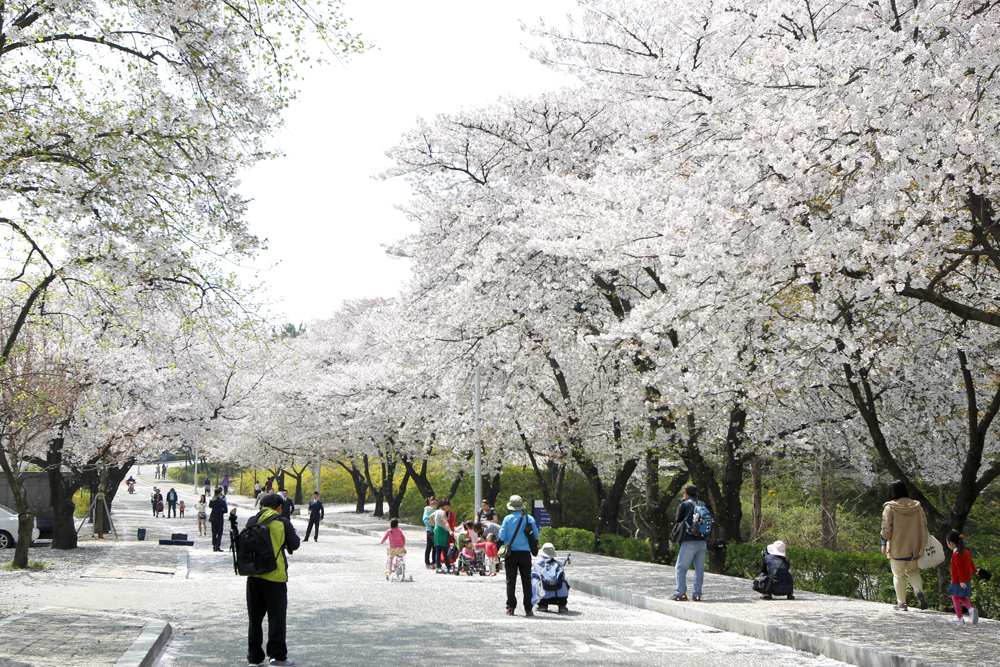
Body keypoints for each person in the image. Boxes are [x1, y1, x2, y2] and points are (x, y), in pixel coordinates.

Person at [245, 493, 300, 667]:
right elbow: (295, 544)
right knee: (276, 618)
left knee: (255, 617)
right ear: (279, 507)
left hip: (253, 575)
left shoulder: (251, 521)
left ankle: (254, 656)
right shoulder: (282, 522)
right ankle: (277, 656)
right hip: (275, 577)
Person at [881, 480, 928, 611]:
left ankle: (902, 603)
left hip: (897, 547)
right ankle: (919, 590)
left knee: (898, 574)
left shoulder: (890, 507)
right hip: (914, 547)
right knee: (913, 571)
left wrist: (884, 542)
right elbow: (924, 523)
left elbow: (886, 528)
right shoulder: (918, 506)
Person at [498, 494, 539, 616]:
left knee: (511, 581)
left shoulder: (507, 519)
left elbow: (502, 536)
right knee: (526, 581)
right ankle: (528, 608)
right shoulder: (529, 519)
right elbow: (536, 536)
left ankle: (511, 606)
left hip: (511, 553)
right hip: (525, 553)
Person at [669, 485, 707, 602]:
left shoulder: (685, 505)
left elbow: (678, 519)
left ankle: (681, 593)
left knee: (681, 567)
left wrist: (680, 508)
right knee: (699, 569)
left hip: (689, 540)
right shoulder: (702, 504)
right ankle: (697, 594)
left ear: (686, 493)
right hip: (702, 541)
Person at [946, 530, 979, 625]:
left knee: (955, 598)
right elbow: (971, 563)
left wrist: (961, 581)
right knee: (962, 597)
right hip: (967, 579)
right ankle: (971, 609)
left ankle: (960, 618)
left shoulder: (956, 555)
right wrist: (975, 571)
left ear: (951, 543)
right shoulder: (966, 551)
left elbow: (958, 569)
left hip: (958, 580)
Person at [532, 542, 569, 613]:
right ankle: (562, 606)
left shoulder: (538, 564)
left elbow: (535, 576)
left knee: (535, 581)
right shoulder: (558, 563)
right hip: (560, 595)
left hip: (544, 595)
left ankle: (543, 605)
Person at [430, 499, 453, 572]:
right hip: (442, 532)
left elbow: (430, 517)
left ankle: (438, 566)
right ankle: (448, 567)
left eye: (448, 506)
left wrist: (434, 524)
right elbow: (446, 523)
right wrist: (450, 531)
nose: (447, 507)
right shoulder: (443, 513)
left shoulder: (436, 511)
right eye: (446, 506)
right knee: (444, 549)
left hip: (436, 530)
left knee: (438, 550)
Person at [209, 488, 228, 552]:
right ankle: (218, 546)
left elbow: (210, 506)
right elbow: (225, 510)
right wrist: (221, 512)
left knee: (214, 532)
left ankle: (214, 545)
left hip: (213, 518)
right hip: (220, 518)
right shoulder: (222, 502)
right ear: (220, 493)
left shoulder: (212, 501)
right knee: (219, 533)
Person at [422, 498, 438, 569]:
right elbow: (425, 519)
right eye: (434, 505)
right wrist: (431, 523)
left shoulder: (436, 511)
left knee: (435, 546)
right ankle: (427, 562)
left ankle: (434, 561)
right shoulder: (427, 510)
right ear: (431, 505)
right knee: (429, 546)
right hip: (430, 529)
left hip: (435, 529)